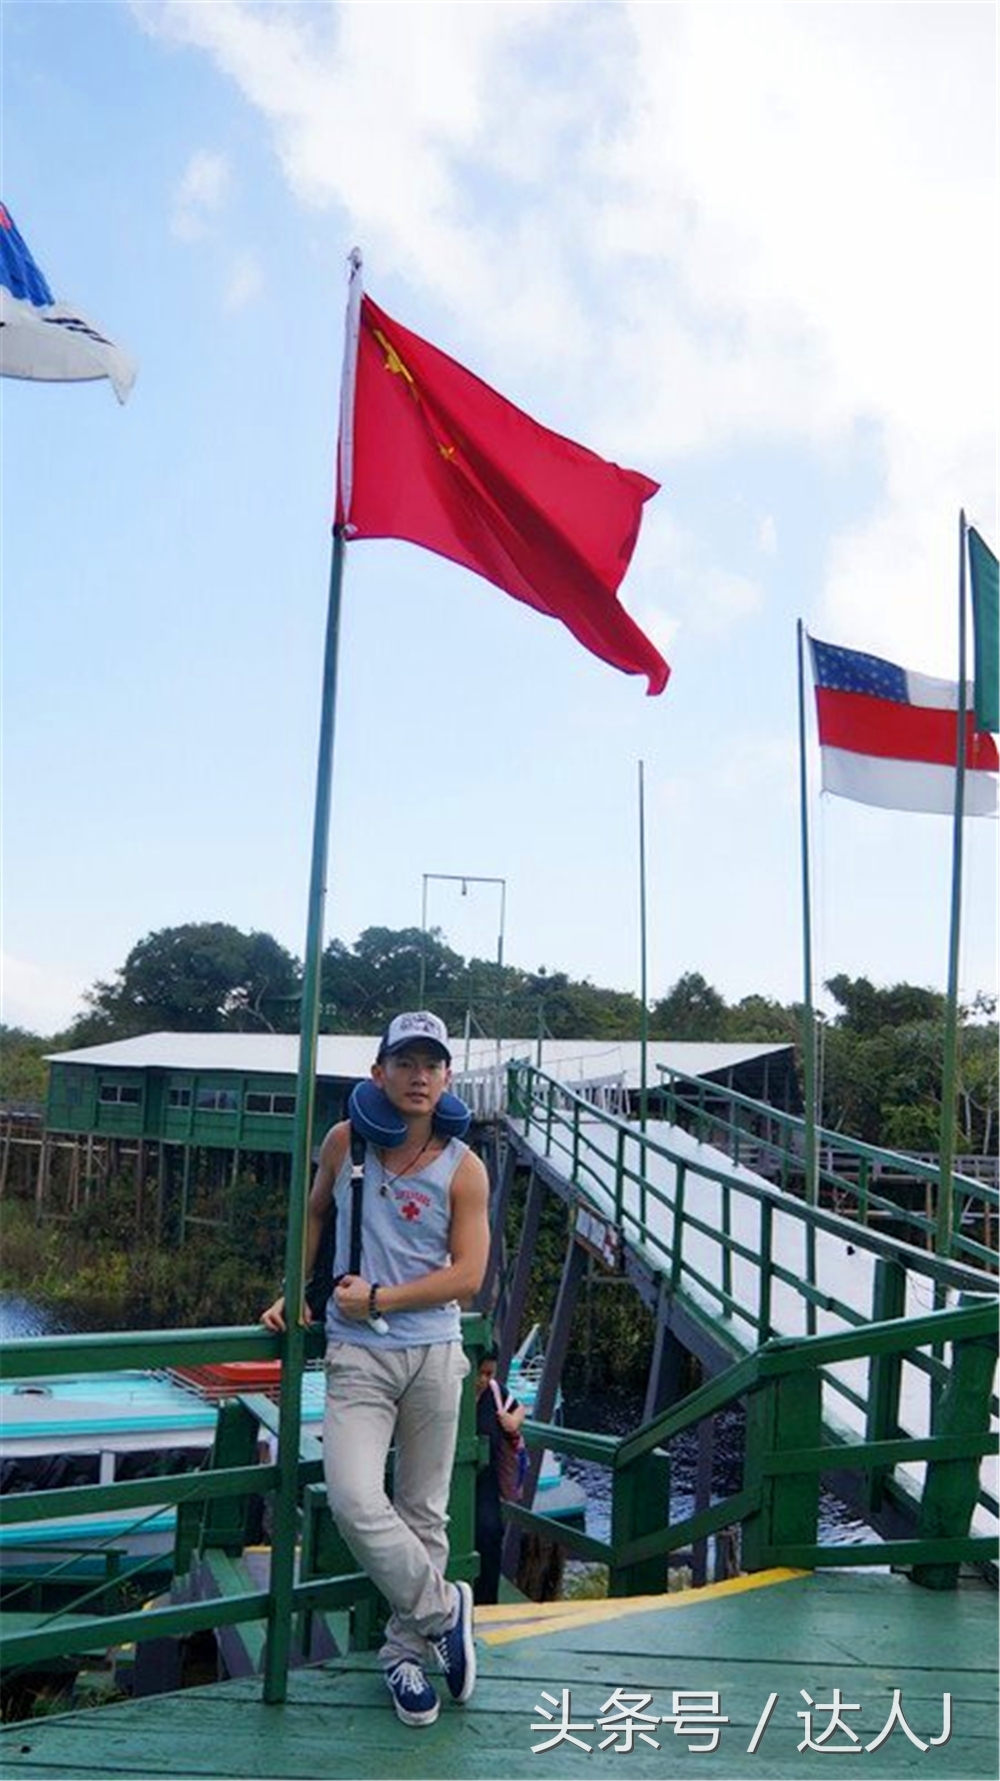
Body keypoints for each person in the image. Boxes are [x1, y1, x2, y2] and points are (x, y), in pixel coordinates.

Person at [261, 1011, 490, 1728]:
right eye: (406, 1061)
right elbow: (316, 1212)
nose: (420, 1075)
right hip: (357, 1356)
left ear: (448, 1076)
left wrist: (380, 1297)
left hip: (433, 1351)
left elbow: (469, 1276)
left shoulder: (465, 1163)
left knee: (424, 1510)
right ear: (379, 1071)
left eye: (433, 1063)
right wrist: (293, 1286)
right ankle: (443, 1609)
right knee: (353, 1494)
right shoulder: (346, 1140)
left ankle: (403, 1655)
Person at [473, 1348, 526, 1605]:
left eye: (489, 1373)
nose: (483, 1380)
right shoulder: (451, 1390)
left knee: (490, 1533)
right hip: (455, 1480)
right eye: (479, 1373)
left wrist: (513, 1422)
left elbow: (519, 1408)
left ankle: (486, 1603)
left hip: (487, 1478)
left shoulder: (494, 1391)